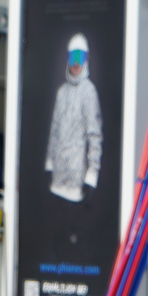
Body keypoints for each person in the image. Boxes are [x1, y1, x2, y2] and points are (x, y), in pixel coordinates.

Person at [43, 32, 103, 255]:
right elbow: (54, 130)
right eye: (72, 57)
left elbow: (95, 135)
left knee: (74, 239)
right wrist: (49, 164)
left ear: (86, 59)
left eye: (81, 57)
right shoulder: (61, 92)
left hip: (77, 180)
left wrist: (91, 175)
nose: (76, 64)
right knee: (56, 236)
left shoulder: (89, 92)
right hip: (57, 177)